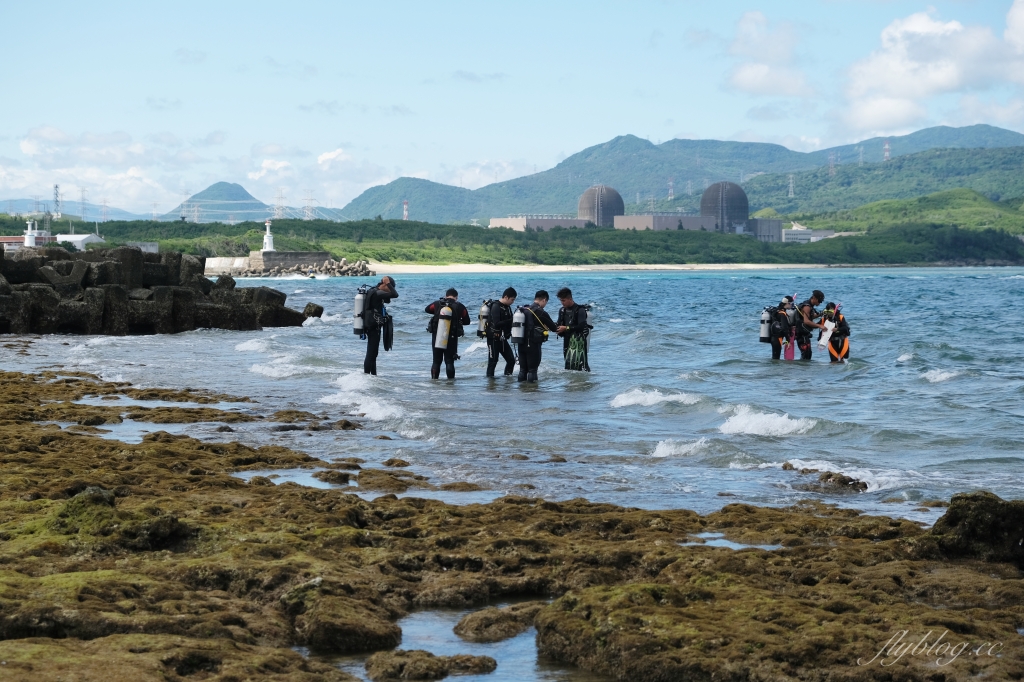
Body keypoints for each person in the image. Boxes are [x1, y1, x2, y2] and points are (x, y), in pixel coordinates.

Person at [424, 287, 471, 379]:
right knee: (449, 361)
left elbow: (427, 309)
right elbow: (467, 321)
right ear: (456, 297)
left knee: (436, 361)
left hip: (437, 336)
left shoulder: (437, 303)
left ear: (446, 296)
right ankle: (450, 384)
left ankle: (434, 382)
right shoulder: (460, 306)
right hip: (452, 337)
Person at [517, 290, 557, 383]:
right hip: (533, 345)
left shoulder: (525, 310)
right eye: (546, 302)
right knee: (532, 370)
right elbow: (554, 328)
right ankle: (532, 393)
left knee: (523, 370)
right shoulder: (540, 312)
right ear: (544, 300)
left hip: (521, 343)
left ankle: (521, 392)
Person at [362, 276, 398, 375]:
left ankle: (373, 376)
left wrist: (387, 287)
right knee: (371, 353)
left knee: (374, 353)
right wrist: (388, 283)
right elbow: (395, 294)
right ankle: (366, 377)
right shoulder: (377, 292)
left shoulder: (373, 291)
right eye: (390, 287)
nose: (390, 289)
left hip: (370, 324)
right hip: (373, 326)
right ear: (384, 284)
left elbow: (388, 299)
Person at [555, 287, 592, 371]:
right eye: (561, 300)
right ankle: (570, 383)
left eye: (563, 300)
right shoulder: (562, 310)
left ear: (570, 299)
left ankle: (585, 383)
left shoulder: (580, 310)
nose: (562, 303)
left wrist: (566, 328)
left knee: (582, 366)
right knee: (568, 365)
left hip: (579, 342)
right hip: (567, 340)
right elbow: (559, 324)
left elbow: (581, 327)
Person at [486, 287, 518, 377]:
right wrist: (512, 320)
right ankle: (491, 386)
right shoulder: (496, 306)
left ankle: (507, 381)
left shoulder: (507, 307)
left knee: (511, 360)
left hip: (502, 339)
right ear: (506, 297)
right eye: (512, 299)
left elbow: (509, 322)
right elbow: (496, 324)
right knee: (493, 362)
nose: (513, 302)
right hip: (493, 338)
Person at [796, 290, 826, 361]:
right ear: (814, 298)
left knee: (808, 354)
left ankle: (805, 370)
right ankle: (802, 370)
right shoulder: (807, 307)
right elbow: (806, 321)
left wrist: (821, 313)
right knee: (805, 354)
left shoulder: (810, 306)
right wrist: (819, 326)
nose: (820, 302)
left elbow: (810, 317)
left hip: (805, 334)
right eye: (819, 300)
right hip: (801, 334)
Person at [769, 295, 795, 360]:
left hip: (773, 337)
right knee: (776, 359)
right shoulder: (782, 314)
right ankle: (776, 370)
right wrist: (788, 341)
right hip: (777, 339)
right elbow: (784, 328)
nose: (792, 305)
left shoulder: (777, 311)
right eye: (791, 304)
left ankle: (775, 370)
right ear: (787, 303)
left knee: (775, 358)